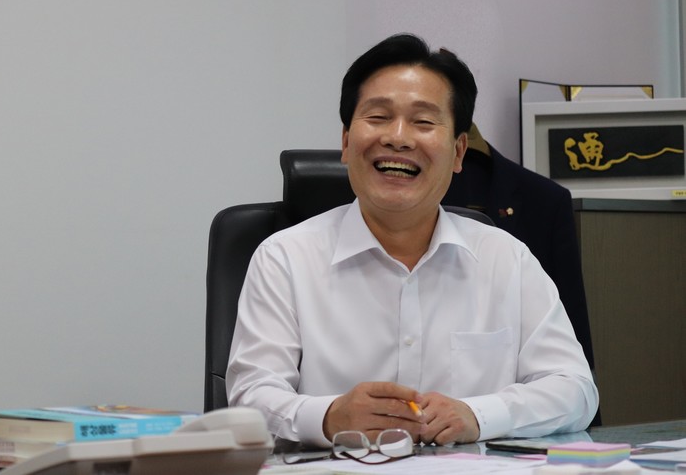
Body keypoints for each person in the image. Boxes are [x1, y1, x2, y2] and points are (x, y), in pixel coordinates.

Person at [226, 33, 599, 448]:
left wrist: (479, 414)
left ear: (459, 152)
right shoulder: (284, 258)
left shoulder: (506, 258)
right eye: (378, 116)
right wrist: (329, 417)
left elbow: (575, 389)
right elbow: (251, 396)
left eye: (423, 122)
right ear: (346, 142)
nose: (398, 138)